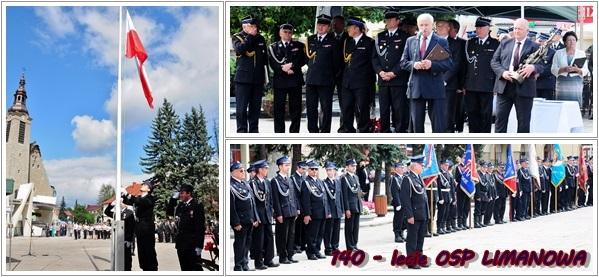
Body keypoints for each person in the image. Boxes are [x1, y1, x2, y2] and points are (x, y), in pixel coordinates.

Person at [399, 13, 452, 133]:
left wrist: (432, 65)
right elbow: (403, 62)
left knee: (438, 126)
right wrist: (414, 64)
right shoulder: (411, 40)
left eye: (426, 25)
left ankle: (438, 148)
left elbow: (448, 64)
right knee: (416, 126)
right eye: (421, 25)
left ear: (432, 25)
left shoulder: (441, 41)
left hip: (435, 87)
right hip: (416, 87)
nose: (424, 28)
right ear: (418, 26)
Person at [491, 18, 544, 133]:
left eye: (519, 29)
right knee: (500, 122)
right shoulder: (505, 43)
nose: (516, 31)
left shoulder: (534, 46)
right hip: (504, 87)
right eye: (515, 28)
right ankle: (500, 149)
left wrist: (533, 68)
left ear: (527, 31)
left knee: (523, 123)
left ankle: (523, 150)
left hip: (524, 88)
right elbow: (494, 62)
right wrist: (502, 72)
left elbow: (542, 65)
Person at [372, 8, 410, 133]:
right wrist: (380, 72)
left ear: (397, 21)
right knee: (383, 109)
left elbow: (406, 59)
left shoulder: (405, 37)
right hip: (383, 79)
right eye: (386, 19)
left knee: (398, 109)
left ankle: (399, 132)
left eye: (391, 19)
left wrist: (394, 73)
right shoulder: (380, 36)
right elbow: (374, 58)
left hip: (398, 79)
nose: (388, 22)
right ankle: (385, 132)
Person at [305, 14, 342, 133]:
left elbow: (337, 62)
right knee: (311, 107)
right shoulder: (310, 39)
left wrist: (332, 76)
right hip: (311, 79)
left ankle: (325, 130)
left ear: (329, 27)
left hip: (326, 80)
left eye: (324, 25)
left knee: (326, 108)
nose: (320, 27)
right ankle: (312, 130)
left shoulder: (333, 41)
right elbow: (307, 59)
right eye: (319, 25)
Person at [268, 23, 307, 133]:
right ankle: (279, 133)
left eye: (290, 32)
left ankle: (294, 132)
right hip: (280, 81)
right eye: (285, 32)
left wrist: (292, 66)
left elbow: (303, 60)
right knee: (278, 109)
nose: (287, 34)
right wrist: (283, 69)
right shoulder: (273, 47)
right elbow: (272, 63)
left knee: (295, 109)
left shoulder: (299, 46)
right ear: (280, 33)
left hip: (295, 81)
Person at [463, 17, 499, 133]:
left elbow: (497, 65)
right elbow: (465, 65)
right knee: (472, 113)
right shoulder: (470, 43)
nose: (478, 30)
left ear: (488, 29)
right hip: (471, 84)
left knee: (485, 114)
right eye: (477, 28)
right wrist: (463, 84)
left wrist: (496, 85)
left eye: (481, 28)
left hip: (487, 85)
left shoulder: (495, 44)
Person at [232, 15, 267, 133]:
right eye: (252, 26)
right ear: (244, 26)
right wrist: (250, 37)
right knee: (241, 109)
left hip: (257, 79)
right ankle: (241, 131)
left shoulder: (261, 38)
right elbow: (240, 49)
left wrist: (265, 77)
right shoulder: (237, 37)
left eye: (255, 26)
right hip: (243, 80)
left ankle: (254, 131)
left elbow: (264, 59)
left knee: (255, 109)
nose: (255, 28)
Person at [340, 16, 375, 133]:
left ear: (356, 28)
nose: (348, 30)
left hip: (362, 82)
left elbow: (372, 62)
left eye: (350, 27)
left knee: (362, 108)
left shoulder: (369, 42)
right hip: (347, 82)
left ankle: (364, 130)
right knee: (346, 108)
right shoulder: (347, 42)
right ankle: (348, 130)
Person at [166, 184, 207, 271]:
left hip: (192, 244)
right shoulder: (180, 206)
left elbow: (200, 227)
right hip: (181, 244)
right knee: (184, 268)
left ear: (189, 194)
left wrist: (199, 245)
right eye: (180, 193)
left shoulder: (197, 205)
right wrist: (173, 199)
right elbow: (169, 212)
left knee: (195, 268)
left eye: (182, 193)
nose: (180, 195)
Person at [400, 155, 430, 269]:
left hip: (422, 214)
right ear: (415, 165)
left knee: (420, 239)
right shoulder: (407, 179)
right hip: (414, 215)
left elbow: (423, 197)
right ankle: (411, 262)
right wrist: (409, 215)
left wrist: (427, 213)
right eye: (421, 165)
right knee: (412, 239)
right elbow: (405, 199)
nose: (422, 167)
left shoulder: (418, 178)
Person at [246, 160, 277, 270]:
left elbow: (270, 199)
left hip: (267, 214)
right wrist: (254, 217)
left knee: (269, 237)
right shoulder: (252, 183)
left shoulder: (267, 182)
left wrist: (272, 211)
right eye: (265, 168)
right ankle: (259, 262)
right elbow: (251, 202)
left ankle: (269, 259)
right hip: (258, 215)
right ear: (259, 170)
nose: (267, 170)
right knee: (259, 240)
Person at [122, 180, 159, 271]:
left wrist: (127, 194)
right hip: (139, 228)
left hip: (147, 228)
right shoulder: (139, 197)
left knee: (148, 251)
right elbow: (129, 201)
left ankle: (152, 269)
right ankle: (144, 268)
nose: (142, 185)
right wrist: (122, 195)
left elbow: (140, 201)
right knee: (141, 251)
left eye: (145, 185)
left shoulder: (150, 198)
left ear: (149, 189)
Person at [435, 19, 464, 133]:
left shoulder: (456, 44)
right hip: (432, 84)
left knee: (447, 115)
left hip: (448, 84)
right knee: (435, 114)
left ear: (448, 28)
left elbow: (455, 64)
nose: (439, 28)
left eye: (442, 26)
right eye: (437, 26)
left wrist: (443, 80)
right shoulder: (431, 42)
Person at [230, 161, 259, 271]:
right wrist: (235, 222)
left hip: (249, 219)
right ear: (233, 172)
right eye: (240, 171)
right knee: (239, 244)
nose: (243, 172)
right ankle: (238, 265)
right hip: (240, 221)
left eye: (243, 170)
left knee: (247, 243)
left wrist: (255, 218)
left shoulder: (245, 184)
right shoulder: (230, 185)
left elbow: (252, 203)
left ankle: (245, 263)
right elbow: (231, 207)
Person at [271, 156, 299, 264]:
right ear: (280, 166)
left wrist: (296, 209)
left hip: (291, 211)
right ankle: (283, 256)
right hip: (283, 212)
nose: (288, 167)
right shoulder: (275, 181)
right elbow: (276, 199)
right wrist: (278, 213)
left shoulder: (290, 179)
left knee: (291, 235)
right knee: (282, 235)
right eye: (286, 165)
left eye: (288, 165)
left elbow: (293, 195)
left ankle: (290, 255)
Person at [551, 31, 590, 108]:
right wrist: (563, 69)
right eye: (569, 40)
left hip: (575, 84)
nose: (572, 42)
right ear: (565, 42)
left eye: (574, 40)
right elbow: (553, 69)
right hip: (562, 84)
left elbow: (586, 70)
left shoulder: (581, 53)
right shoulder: (558, 53)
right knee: (562, 107)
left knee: (574, 106)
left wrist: (577, 69)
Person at [301, 161, 330, 260]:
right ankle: (310, 252)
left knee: (320, 234)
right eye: (312, 169)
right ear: (308, 170)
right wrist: (307, 214)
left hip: (322, 212)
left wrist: (327, 211)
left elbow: (325, 198)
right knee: (312, 234)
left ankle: (317, 250)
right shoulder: (306, 183)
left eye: (316, 169)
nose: (314, 171)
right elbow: (305, 200)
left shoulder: (320, 181)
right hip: (313, 213)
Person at [105, 200, 135, 271]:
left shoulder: (129, 213)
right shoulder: (116, 214)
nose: (120, 204)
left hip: (125, 239)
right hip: (117, 238)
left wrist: (129, 239)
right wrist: (111, 204)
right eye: (120, 203)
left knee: (126, 258)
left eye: (122, 203)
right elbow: (106, 212)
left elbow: (132, 227)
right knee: (117, 257)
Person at [341, 159, 362, 251]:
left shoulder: (356, 177)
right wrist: (347, 209)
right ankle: (350, 246)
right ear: (347, 167)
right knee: (349, 227)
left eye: (355, 166)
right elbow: (345, 195)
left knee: (356, 227)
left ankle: (354, 244)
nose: (354, 167)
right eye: (352, 166)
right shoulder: (344, 178)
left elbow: (358, 192)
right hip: (350, 206)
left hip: (357, 205)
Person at [332, 15, 349, 132]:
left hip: (343, 75)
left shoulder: (349, 38)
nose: (334, 26)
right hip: (329, 75)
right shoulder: (328, 37)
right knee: (325, 104)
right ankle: (324, 129)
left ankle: (344, 127)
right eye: (333, 23)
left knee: (345, 103)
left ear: (343, 25)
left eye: (336, 23)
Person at [323, 161, 343, 255]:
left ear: (335, 171)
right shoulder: (324, 183)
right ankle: (328, 249)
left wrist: (342, 209)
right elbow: (325, 199)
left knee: (336, 230)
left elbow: (340, 197)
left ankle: (335, 247)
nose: (330, 172)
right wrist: (327, 211)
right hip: (330, 210)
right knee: (328, 230)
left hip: (337, 210)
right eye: (328, 170)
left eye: (331, 170)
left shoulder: (338, 182)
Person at [290, 160, 307, 254]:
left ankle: (302, 244)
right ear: (298, 168)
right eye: (302, 168)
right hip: (298, 206)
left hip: (304, 205)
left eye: (305, 169)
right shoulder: (293, 178)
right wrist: (297, 207)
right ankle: (296, 245)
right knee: (297, 227)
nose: (304, 170)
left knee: (304, 226)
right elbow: (294, 194)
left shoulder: (304, 177)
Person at [536, 32, 558, 100]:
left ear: (546, 41)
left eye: (541, 41)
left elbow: (551, 67)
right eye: (538, 41)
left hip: (547, 85)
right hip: (535, 84)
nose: (539, 43)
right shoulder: (534, 51)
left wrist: (538, 73)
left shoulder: (553, 52)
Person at [436, 160, 455, 234]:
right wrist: (440, 198)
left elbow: (451, 187)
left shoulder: (448, 174)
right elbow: (438, 187)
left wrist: (452, 197)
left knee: (446, 212)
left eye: (447, 165)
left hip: (448, 195)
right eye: (445, 165)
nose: (447, 167)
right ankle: (439, 228)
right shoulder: (439, 174)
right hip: (442, 195)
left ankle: (443, 227)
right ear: (441, 165)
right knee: (441, 212)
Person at [390, 162, 406, 242]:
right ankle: (397, 235)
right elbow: (394, 192)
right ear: (396, 169)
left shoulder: (403, 177)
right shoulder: (394, 178)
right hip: (398, 203)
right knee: (398, 219)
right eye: (401, 167)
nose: (402, 169)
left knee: (403, 219)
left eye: (403, 167)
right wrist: (398, 203)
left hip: (404, 202)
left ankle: (401, 233)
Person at [474, 161, 490, 228]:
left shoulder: (487, 175)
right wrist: (477, 196)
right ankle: (476, 223)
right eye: (484, 167)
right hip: (479, 193)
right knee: (478, 209)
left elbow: (488, 186)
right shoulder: (477, 175)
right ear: (481, 167)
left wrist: (489, 195)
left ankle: (480, 222)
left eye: (486, 167)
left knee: (483, 209)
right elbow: (477, 186)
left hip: (485, 194)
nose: (485, 168)